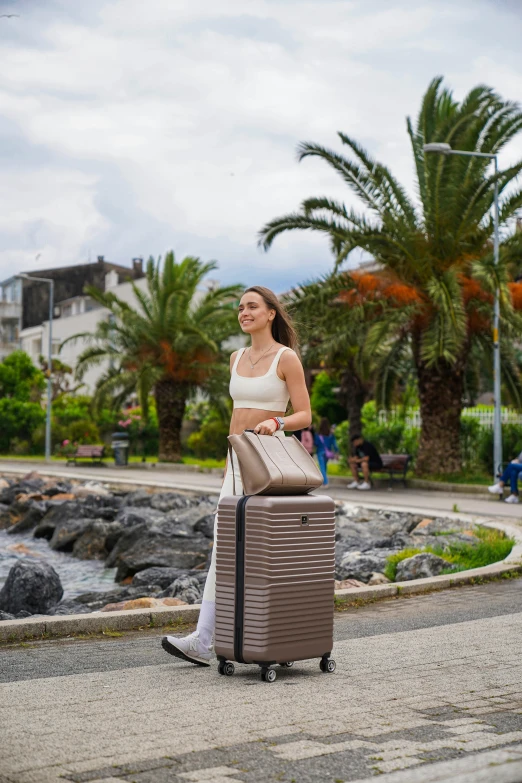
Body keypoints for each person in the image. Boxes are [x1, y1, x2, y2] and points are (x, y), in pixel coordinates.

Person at [161, 285, 312, 666]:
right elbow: (235, 416)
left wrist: (276, 421)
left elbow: (304, 415)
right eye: (240, 307)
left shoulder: (286, 357)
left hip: (266, 465)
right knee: (224, 545)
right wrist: (227, 463)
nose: (244, 312)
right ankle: (205, 638)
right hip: (236, 464)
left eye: (252, 306)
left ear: (271, 313)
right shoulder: (236, 357)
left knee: (264, 551)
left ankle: (273, 635)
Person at [314, 417, 338, 486]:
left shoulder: (318, 434)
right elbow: (334, 444)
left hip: (320, 452)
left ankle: (325, 482)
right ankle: (325, 481)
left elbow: (316, 443)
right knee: (325, 467)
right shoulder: (330, 434)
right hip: (328, 453)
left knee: (322, 468)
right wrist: (336, 451)